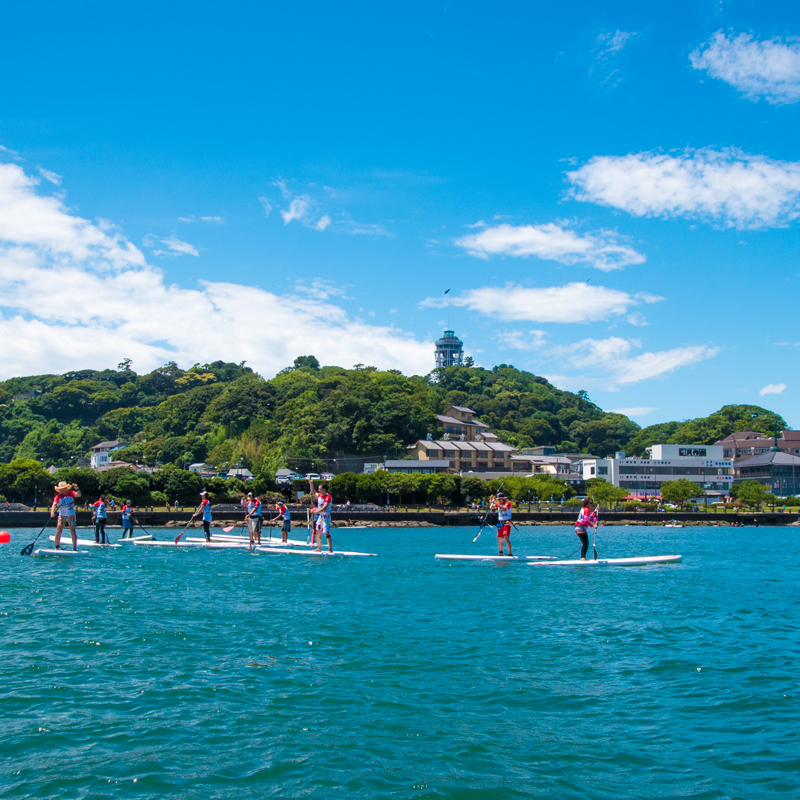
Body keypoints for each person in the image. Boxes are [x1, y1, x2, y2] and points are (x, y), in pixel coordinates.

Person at [51, 480, 81, 550]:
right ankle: (56, 547)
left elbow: (79, 495)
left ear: (66, 489)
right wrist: (52, 512)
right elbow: (54, 504)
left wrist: (77, 488)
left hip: (71, 516)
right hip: (62, 516)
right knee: (58, 531)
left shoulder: (71, 493)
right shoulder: (57, 496)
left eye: (62, 489)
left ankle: (74, 548)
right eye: (60, 490)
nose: (61, 491)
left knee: (72, 531)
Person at [309, 478, 333, 552]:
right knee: (318, 531)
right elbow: (313, 492)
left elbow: (324, 508)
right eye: (318, 489)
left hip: (326, 517)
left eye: (320, 489)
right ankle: (319, 548)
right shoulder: (319, 495)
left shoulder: (328, 497)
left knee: (326, 532)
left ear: (324, 489)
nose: (319, 490)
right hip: (320, 517)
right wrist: (311, 484)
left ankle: (330, 549)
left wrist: (315, 512)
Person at [490, 491, 513, 556]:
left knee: (506, 537)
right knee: (499, 537)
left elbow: (504, 509)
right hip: (500, 523)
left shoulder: (508, 503)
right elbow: (491, 507)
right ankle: (500, 552)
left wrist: (495, 503)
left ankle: (510, 553)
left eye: (499, 499)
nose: (499, 500)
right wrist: (491, 501)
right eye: (498, 499)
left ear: (503, 498)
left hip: (507, 522)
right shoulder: (499, 503)